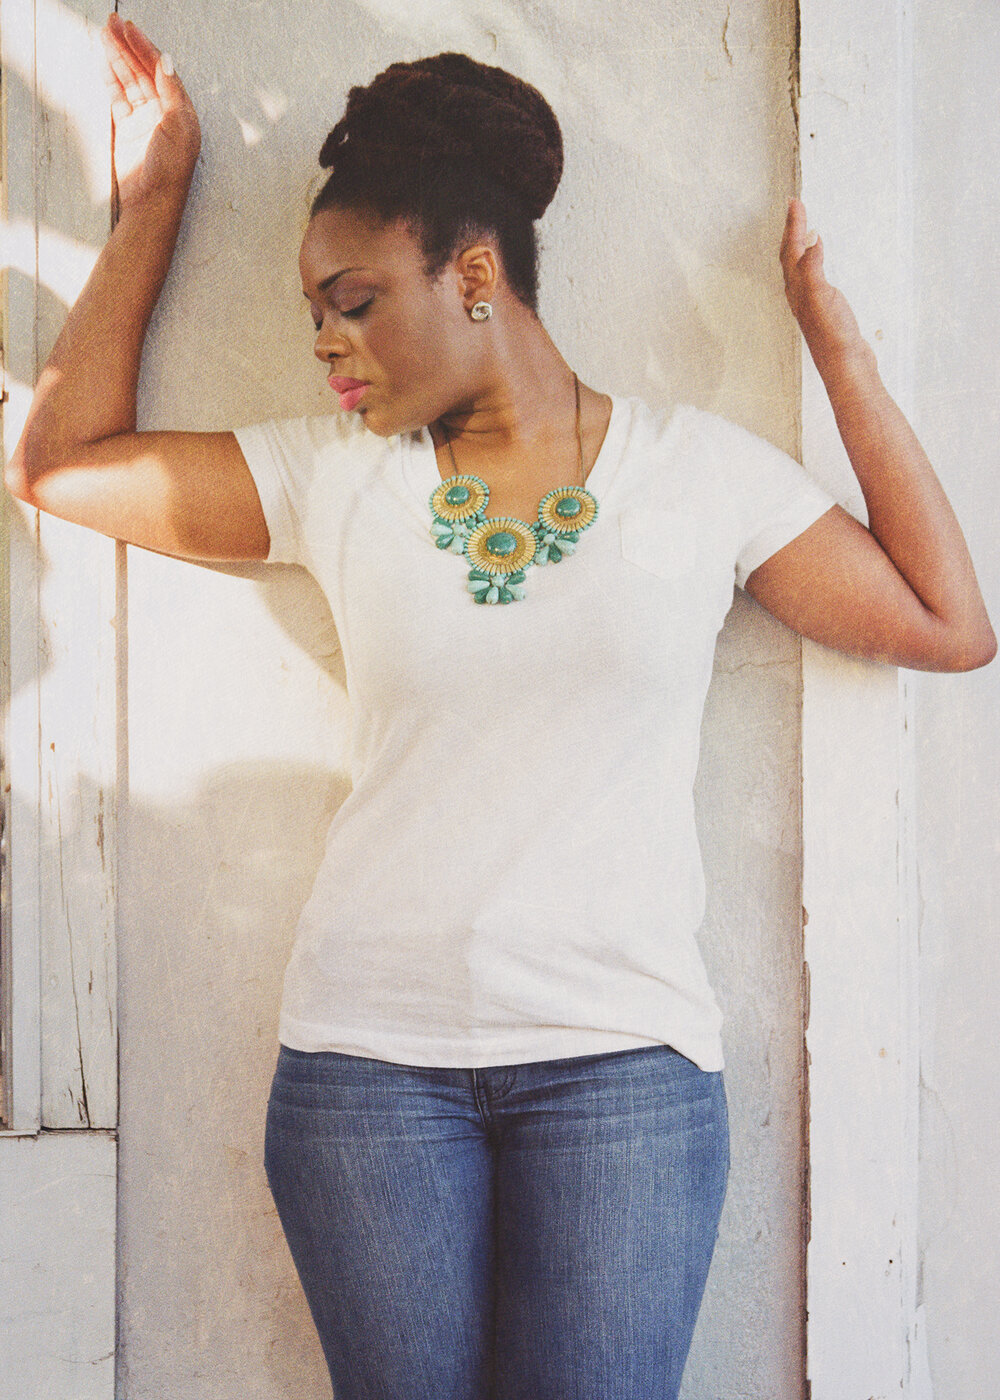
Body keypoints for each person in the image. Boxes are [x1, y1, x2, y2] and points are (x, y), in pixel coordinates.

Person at [7, 14, 995, 1400]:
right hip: (368, 1075)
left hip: (623, 1077)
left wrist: (836, 348)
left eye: (354, 300)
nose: (326, 342)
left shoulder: (699, 472)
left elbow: (949, 625)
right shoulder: (330, 477)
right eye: (313, 313)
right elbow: (61, 462)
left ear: (473, 274)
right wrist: (157, 196)